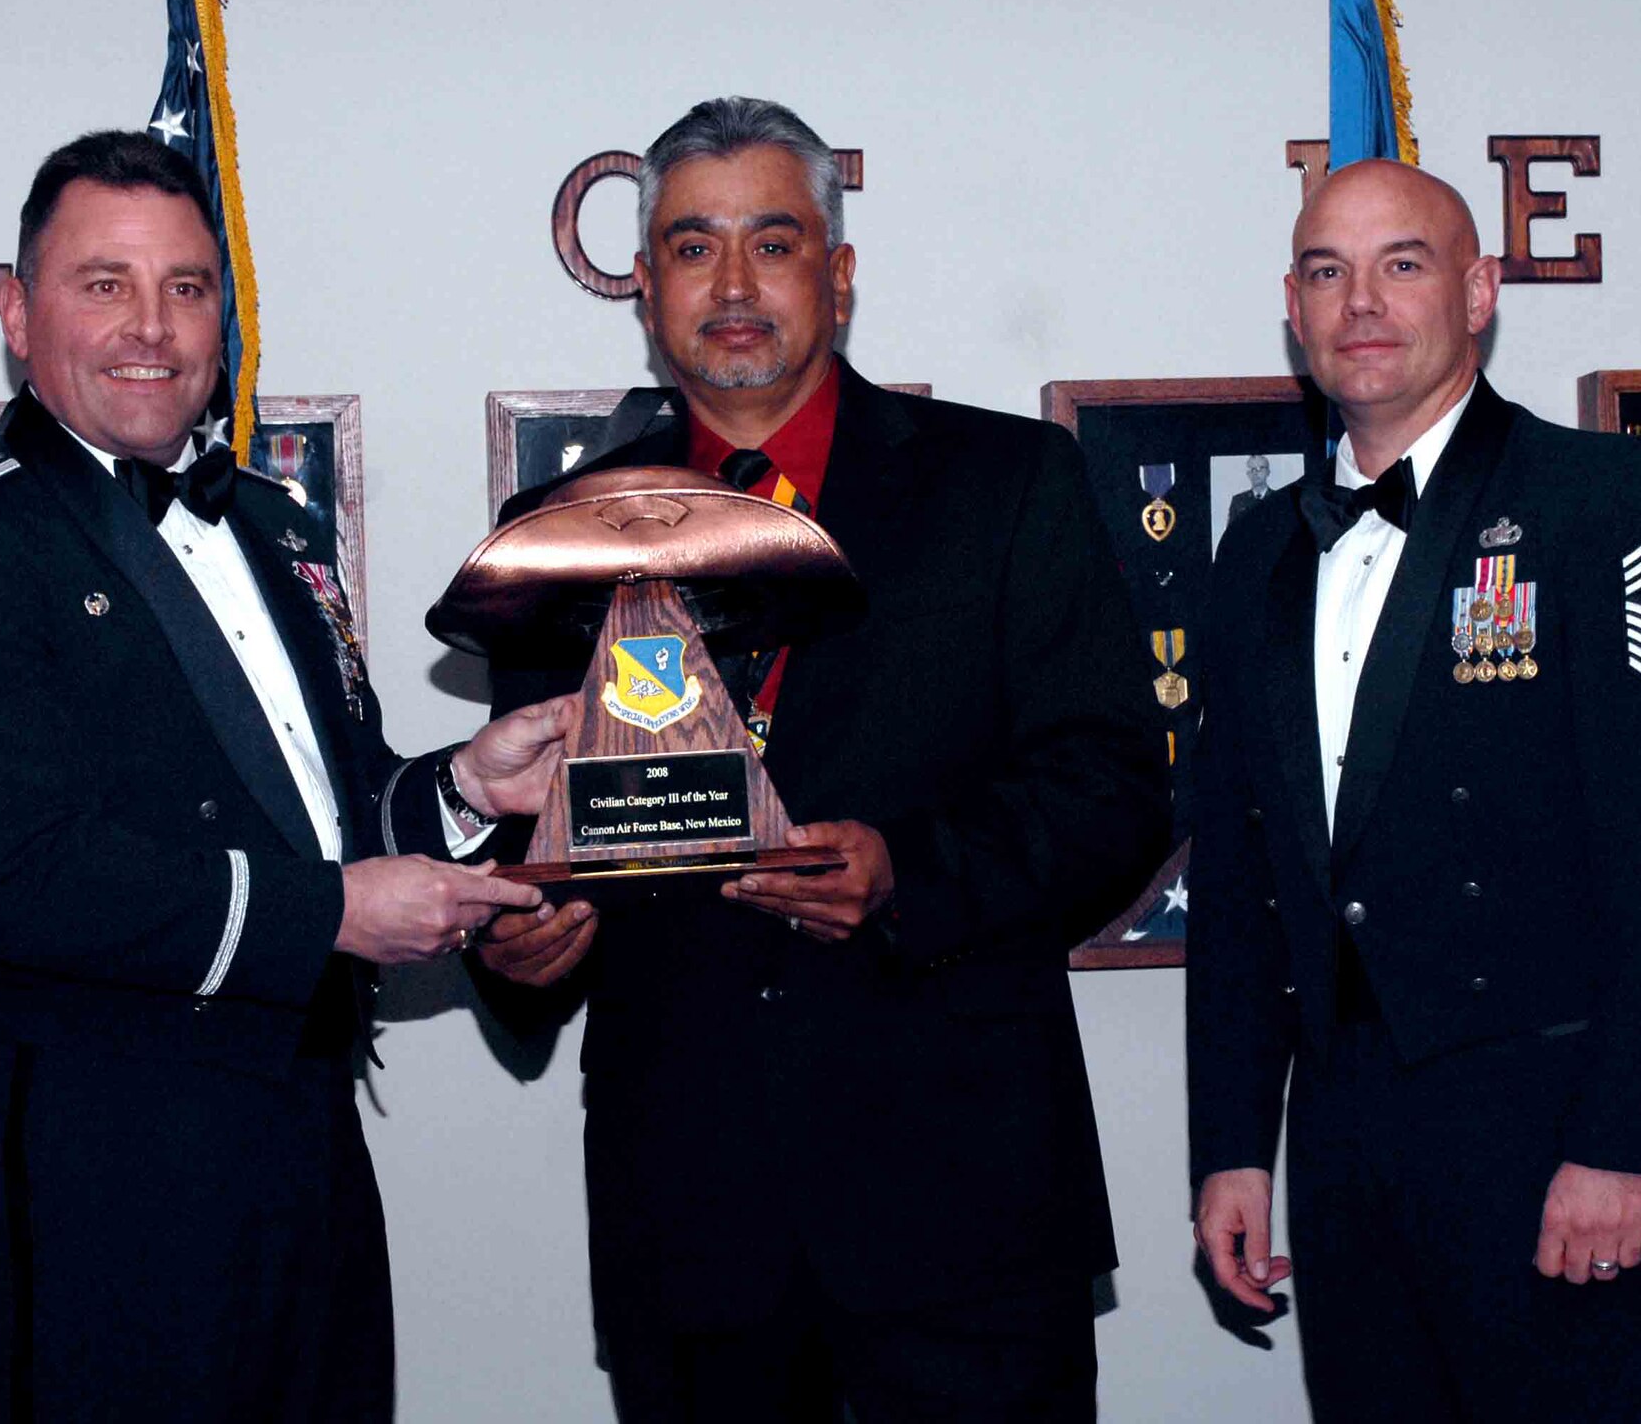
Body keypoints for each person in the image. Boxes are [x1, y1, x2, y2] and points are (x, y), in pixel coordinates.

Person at [0, 130, 568, 1423]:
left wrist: (468, 783)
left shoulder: (277, 529)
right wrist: (337, 916)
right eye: (104, 283)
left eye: (187, 288)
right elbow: (19, 878)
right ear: (18, 314)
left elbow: (336, 817)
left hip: (307, 1136)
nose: (152, 327)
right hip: (105, 1160)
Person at [477, 97, 1170, 1421]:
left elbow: (1114, 784)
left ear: (838, 276)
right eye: (691, 247)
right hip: (691, 1233)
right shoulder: (550, 536)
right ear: (644, 287)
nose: (732, 285)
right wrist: (512, 949)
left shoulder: (1008, 483)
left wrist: (909, 870)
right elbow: (531, 845)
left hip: (964, 1222)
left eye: (773, 242)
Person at [1186, 157, 1641, 1421]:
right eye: (1327, 272)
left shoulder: (1604, 500)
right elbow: (1238, 884)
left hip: (1556, 1139)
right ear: (1291, 306)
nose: (1362, 303)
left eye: (1403, 263)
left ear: (1478, 289)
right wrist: (1231, 1144)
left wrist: (1621, 1141)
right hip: (1345, 1153)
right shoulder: (1256, 551)